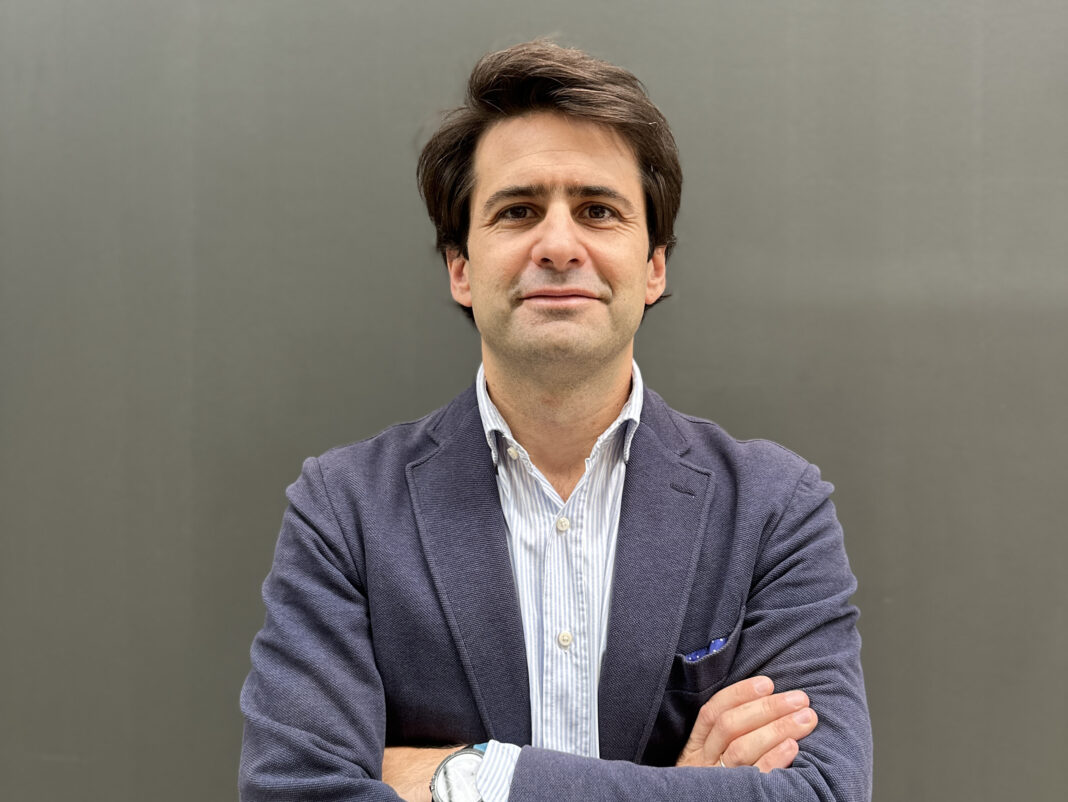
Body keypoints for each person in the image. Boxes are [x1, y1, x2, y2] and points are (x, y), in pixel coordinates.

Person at [239, 40, 872, 802]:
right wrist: (682, 790)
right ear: (461, 268)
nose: (560, 245)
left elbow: (823, 793)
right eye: (518, 211)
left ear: (654, 266)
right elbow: (294, 792)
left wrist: (469, 775)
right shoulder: (344, 513)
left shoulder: (773, 511)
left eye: (599, 211)